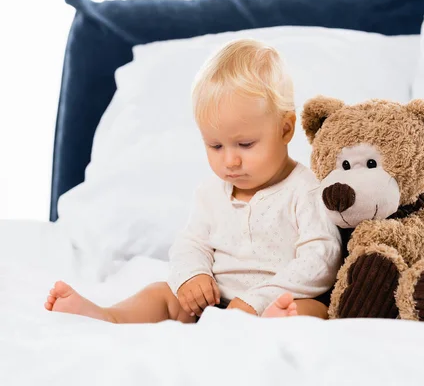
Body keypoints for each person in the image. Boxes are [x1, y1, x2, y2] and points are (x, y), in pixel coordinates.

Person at [44, 39, 342, 323]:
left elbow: (321, 260)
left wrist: (260, 301)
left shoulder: (307, 189)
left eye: (246, 144)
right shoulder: (211, 193)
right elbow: (190, 244)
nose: (230, 161)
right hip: (214, 302)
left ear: (285, 129)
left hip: (277, 300)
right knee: (162, 293)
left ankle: (274, 325)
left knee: (312, 310)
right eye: (215, 146)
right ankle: (110, 316)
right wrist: (193, 277)